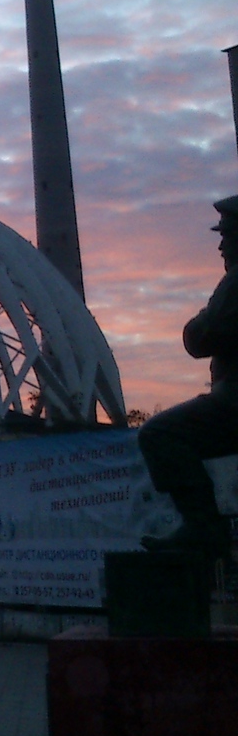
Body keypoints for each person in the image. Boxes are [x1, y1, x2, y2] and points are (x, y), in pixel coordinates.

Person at [139, 195, 238, 565]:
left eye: (227, 236)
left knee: (160, 434)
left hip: (233, 401)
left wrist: (198, 323)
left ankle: (203, 526)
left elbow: (200, 338)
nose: (221, 245)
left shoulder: (236, 282)